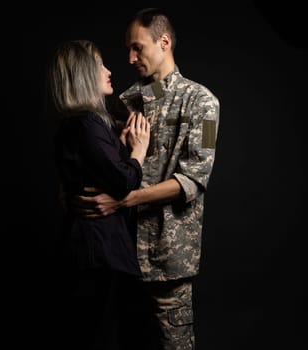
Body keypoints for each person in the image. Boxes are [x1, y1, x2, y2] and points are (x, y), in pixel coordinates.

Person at [71, 8, 220, 350]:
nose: (130, 57)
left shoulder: (204, 104)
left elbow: (193, 180)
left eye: (137, 48)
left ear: (164, 42)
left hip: (167, 258)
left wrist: (125, 200)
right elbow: (99, 161)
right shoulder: (128, 102)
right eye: (128, 49)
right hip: (119, 253)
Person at [48, 39, 150, 348]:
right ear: (83, 76)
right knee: (99, 335)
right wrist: (138, 152)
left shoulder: (78, 125)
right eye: (100, 65)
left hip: (89, 250)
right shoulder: (87, 124)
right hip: (99, 252)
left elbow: (93, 169)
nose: (109, 71)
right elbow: (122, 181)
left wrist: (116, 146)